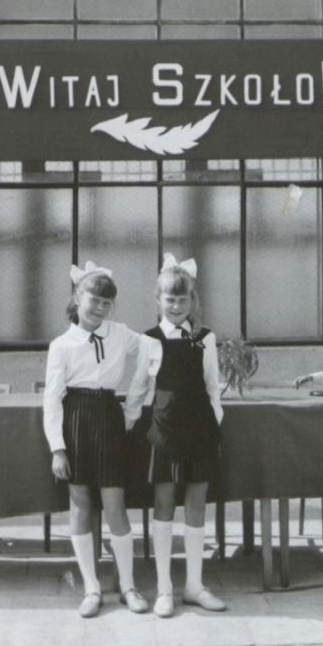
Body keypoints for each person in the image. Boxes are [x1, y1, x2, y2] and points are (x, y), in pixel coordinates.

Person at [43, 260, 149, 618]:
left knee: (115, 505)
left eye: (107, 302)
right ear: (78, 297)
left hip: (108, 417)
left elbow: (153, 350)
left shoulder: (120, 333)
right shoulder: (61, 345)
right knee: (80, 505)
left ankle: (128, 586)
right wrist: (58, 448)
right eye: (94, 299)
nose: (100, 307)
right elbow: (52, 399)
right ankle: (91, 587)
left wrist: (135, 402)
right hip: (75, 419)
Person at [124, 253, 226, 618]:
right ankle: (165, 589)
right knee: (164, 504)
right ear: (158, 300)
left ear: (192, 300)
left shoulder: (205, 339)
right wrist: (130, 421)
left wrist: (214, 423)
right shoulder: (149, 339)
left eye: (183, 299)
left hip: (200, 430)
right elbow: (139, 386)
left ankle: (194, 586)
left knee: (196, 505)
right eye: (170, 299)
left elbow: (213, 387)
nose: (177, 306)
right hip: (164, 431)